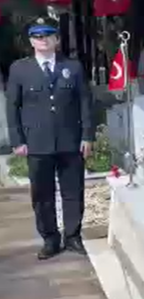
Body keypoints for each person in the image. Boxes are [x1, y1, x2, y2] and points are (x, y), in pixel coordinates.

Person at [6, 17, 94, 259]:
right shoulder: (20, 69)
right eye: (37, 36)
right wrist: (17, 140)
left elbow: (85, 102)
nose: (43, 39)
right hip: (37, 142)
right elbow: (12, 106)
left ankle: (73, 237)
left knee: (73, 191)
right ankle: (50, 239)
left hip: (70, 140)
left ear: (56, 39)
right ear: (31, 41)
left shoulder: (73, 67)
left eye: (47, 35)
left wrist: (87, 135)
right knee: (42, 195)